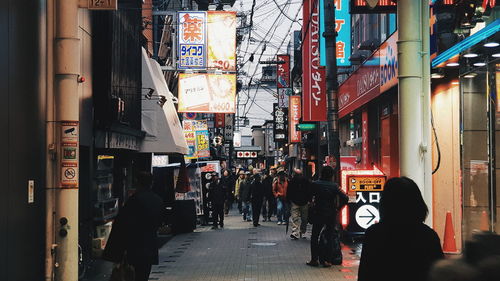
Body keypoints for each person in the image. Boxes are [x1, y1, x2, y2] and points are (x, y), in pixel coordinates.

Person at [357, 177, 444, 281]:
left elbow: (365, 274)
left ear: (385, 203)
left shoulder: (374, 234)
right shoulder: (428, 236)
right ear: (417, 203)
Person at [103, 171, 164, 281]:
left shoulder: (134, 200)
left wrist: (117, 251)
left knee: (133, 275)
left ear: (137, 183)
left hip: (134, 247)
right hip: (150, 245)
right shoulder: (158, 200)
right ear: (151, 183)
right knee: (144, 275)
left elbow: (122, 225)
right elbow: (160, 222)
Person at [307, 166, 348, 268]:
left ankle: (314, 259)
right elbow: (345, 198)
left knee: (315, 236)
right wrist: (338, 208)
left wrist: (312, 204)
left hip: (318, 212)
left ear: (321, 173)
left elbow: (309, 197)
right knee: (329, 236)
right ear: (331, 175)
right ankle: (328, 260)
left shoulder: (315, 184)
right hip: (331, 213)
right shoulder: (334, 186)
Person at [287, 168, 311, 240]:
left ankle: (300, 231)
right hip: (301, 202)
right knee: (300, 218)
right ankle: (296, 232)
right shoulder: (305, 181)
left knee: (300, 218)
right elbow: (309, 191)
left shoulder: (293, 181)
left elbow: (289, 191)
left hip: (298, 201)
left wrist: (288, 200)